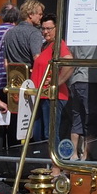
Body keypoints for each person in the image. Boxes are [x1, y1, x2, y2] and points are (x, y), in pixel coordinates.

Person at [29, 16, 70, 152]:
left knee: (50, 134)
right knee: (39, 134)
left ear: (57, 29)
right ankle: (45, 165)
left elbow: (69, 62)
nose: (45, 32)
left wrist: (57, 82)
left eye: (49, 29)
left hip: (52, 97)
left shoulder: (58, 44)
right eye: (43, 28)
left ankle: (55, 167)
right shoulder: (45, 45)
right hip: (41, 96)